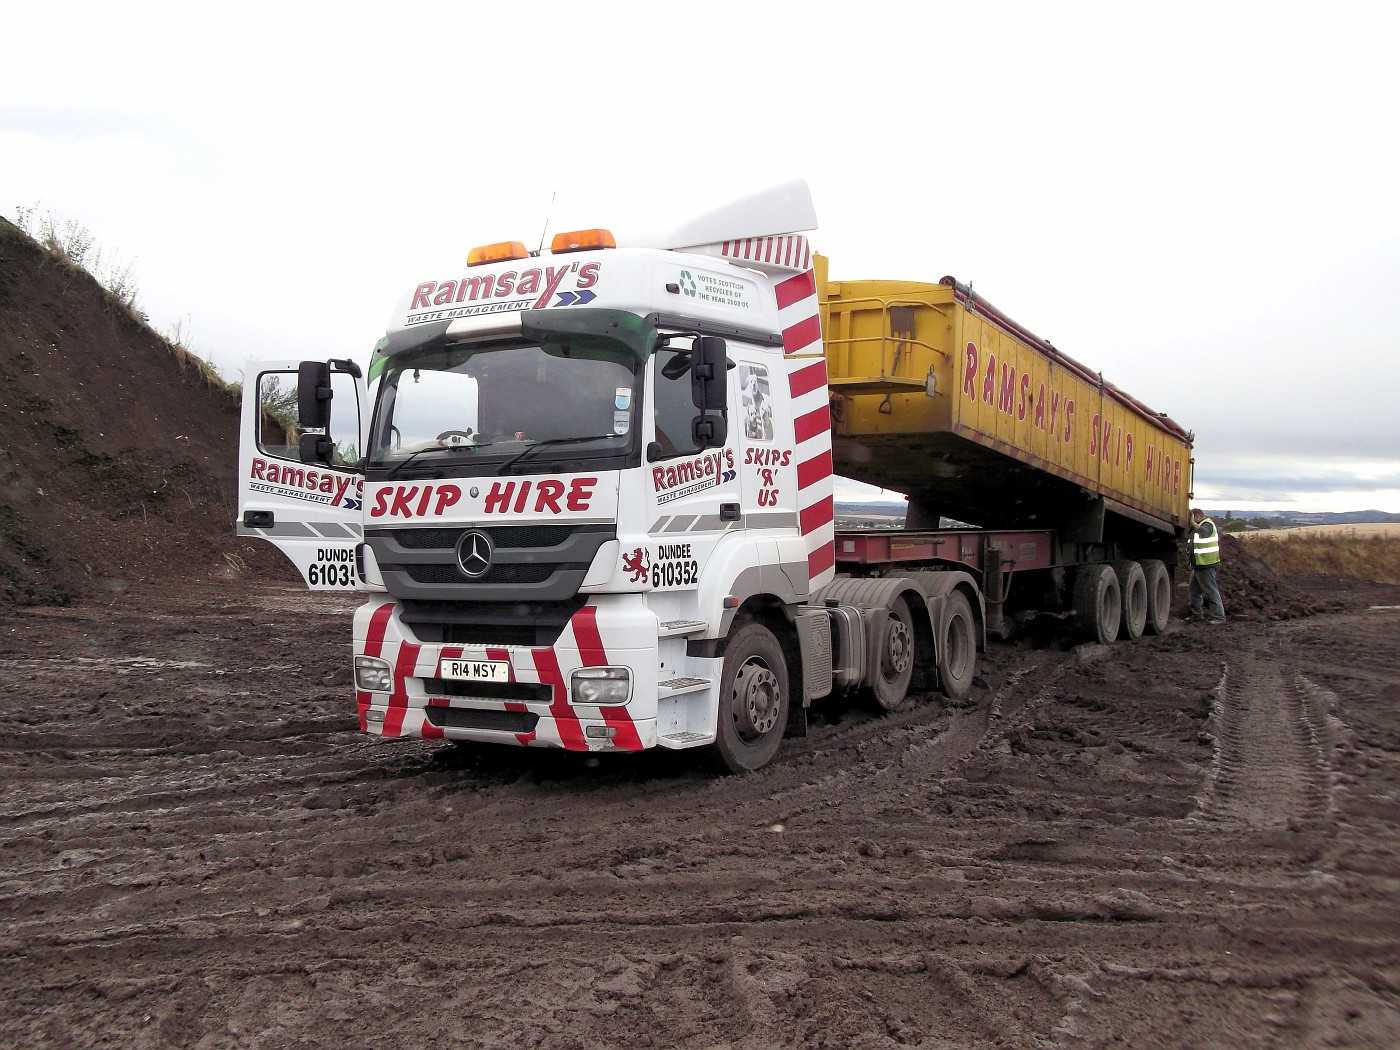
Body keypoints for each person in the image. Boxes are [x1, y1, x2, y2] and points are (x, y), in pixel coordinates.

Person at [1184, 507, 1226, 623]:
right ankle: (1197, 615)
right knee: (1194, 590)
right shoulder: (1200, 526)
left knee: (1211, 591)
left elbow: (1204, 533)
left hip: (1206, 564)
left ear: (1196, 516)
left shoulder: (1207, 524)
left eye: (1191, 519)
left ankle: (1219, 617)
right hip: (1199, 565)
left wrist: (1192, 523)